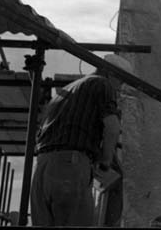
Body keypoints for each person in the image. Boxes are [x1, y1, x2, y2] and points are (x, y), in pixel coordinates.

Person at [30, 54, 133, 227]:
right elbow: (112, 127)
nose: (120, 88)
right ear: (111, 73)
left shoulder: (66, 91)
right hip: (69, 167)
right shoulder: (101, 83)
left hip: (42, 168)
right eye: (121, 81)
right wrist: (105, 162)